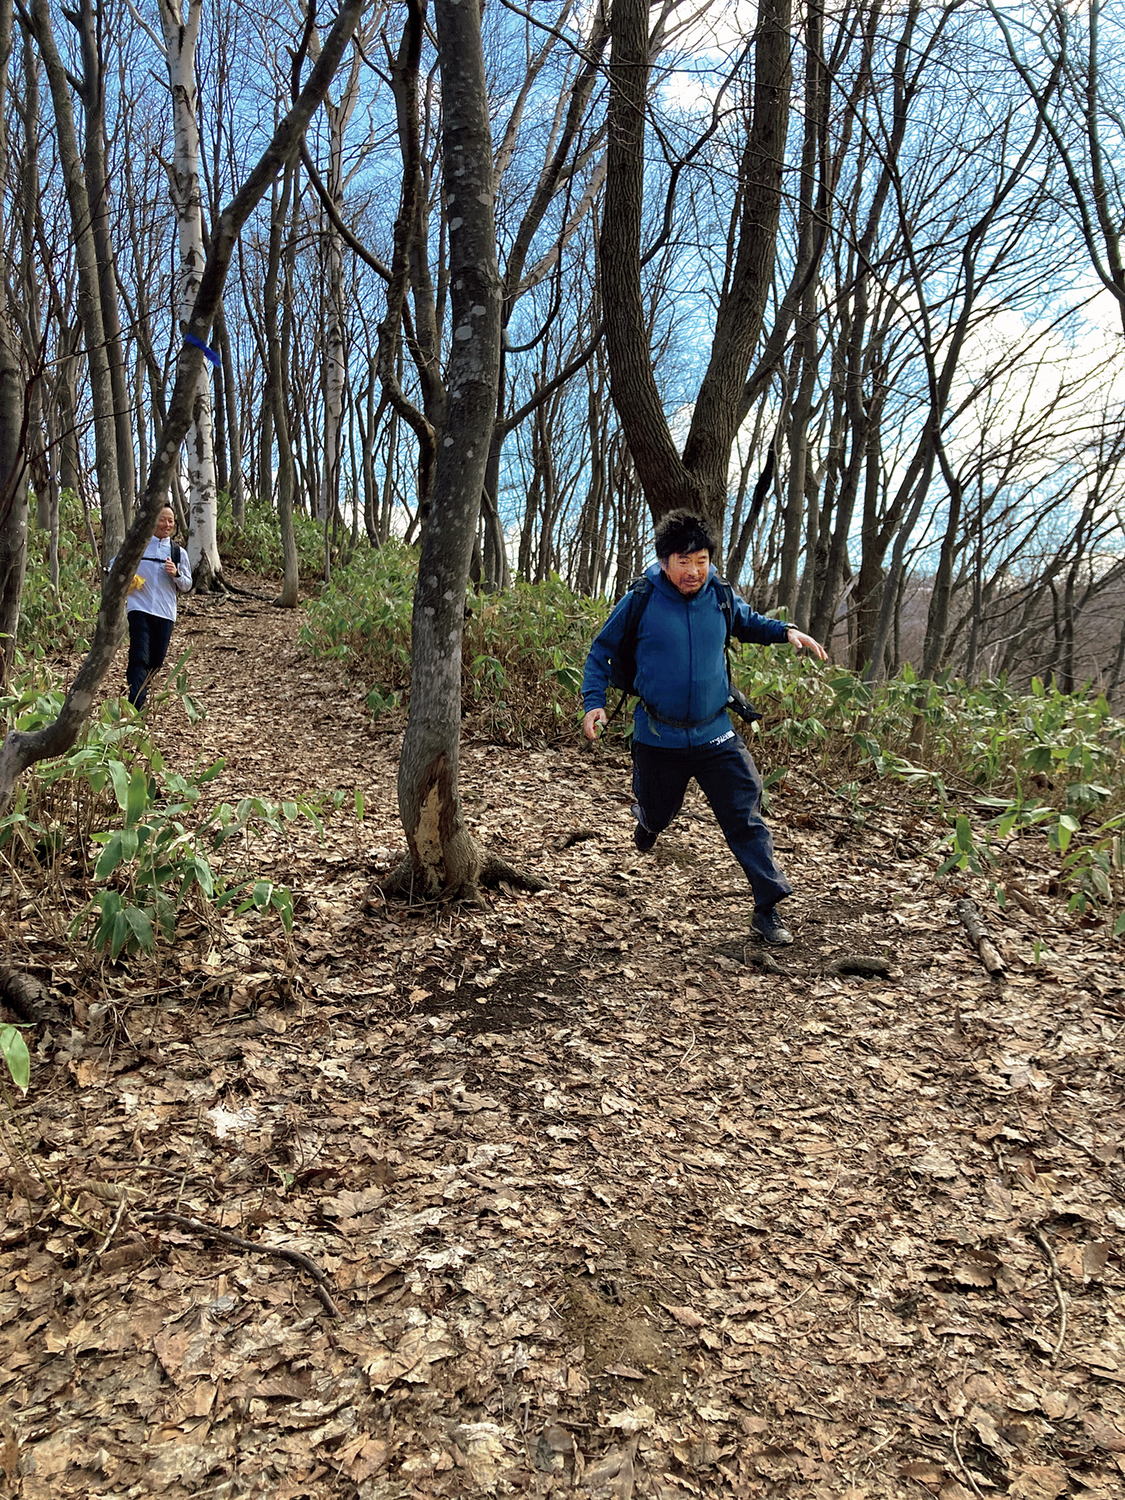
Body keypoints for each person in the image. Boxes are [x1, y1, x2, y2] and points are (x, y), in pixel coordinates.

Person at [582, 509, 827, 946]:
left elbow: (749, 622)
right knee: (659, 808)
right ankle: (650, 822)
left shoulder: (720, 593)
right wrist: (593, 704)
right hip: (659, 734)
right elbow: (602, 650)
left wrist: (786, 631)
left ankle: (767, 907)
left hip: (716, 731)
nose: (695, 570)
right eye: (684, 561)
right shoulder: (641, 597)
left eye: (702, 560)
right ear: (663, 562)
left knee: (744, 816)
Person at [122, 504, 192, 709]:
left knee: (155, 662)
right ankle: (135, 706)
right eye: (163, 519)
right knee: (139, 657)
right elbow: (116, 565)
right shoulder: (139, 546)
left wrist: (176, 574)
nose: (167, 524)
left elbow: (187, 585)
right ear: (153, 520)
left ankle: (138, 690)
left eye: (171, 521)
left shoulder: (178, 553)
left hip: (165, 613)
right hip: (139, 608)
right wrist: (129, 578)